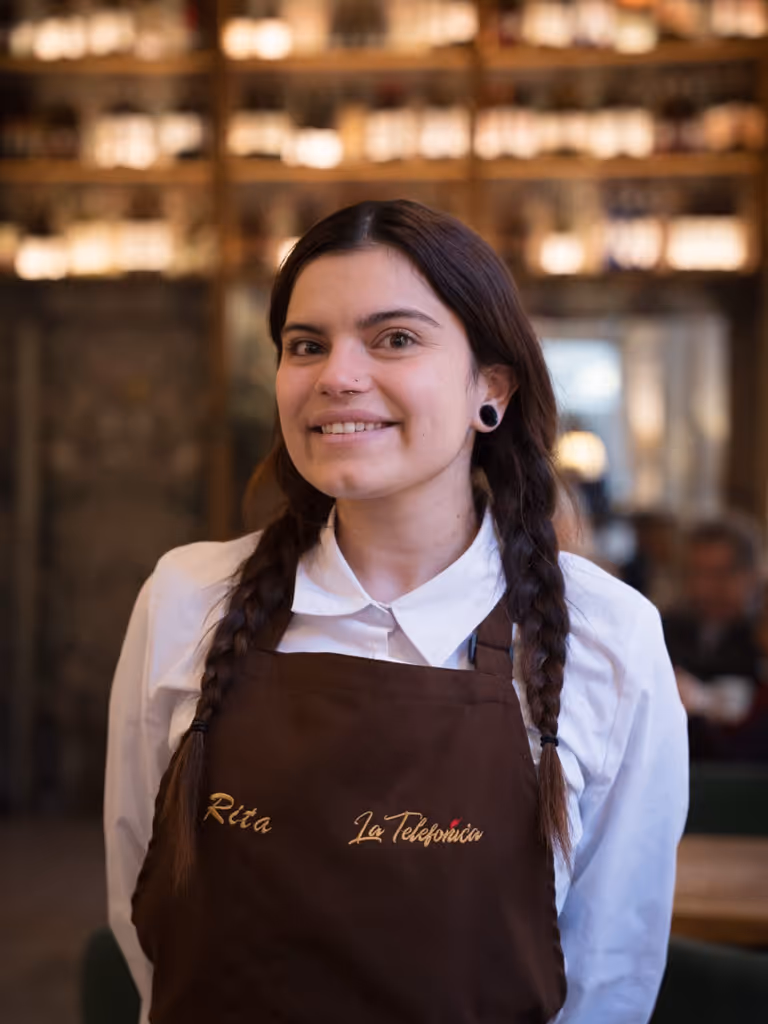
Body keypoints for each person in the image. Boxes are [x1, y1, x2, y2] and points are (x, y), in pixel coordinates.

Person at [105, 199, 688, 1024]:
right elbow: (143, 919)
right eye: (306, 344)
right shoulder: (185, 599)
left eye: (395, 339)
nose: (336, 375)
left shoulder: (608, 635)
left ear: (491, 388)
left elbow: (610, 976)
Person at [662, 517, 763, 759]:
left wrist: (702, 700)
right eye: (696, 573)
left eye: (720, 574)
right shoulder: (667, 629)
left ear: (751, 576)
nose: (703, 589)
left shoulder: (760, 640)